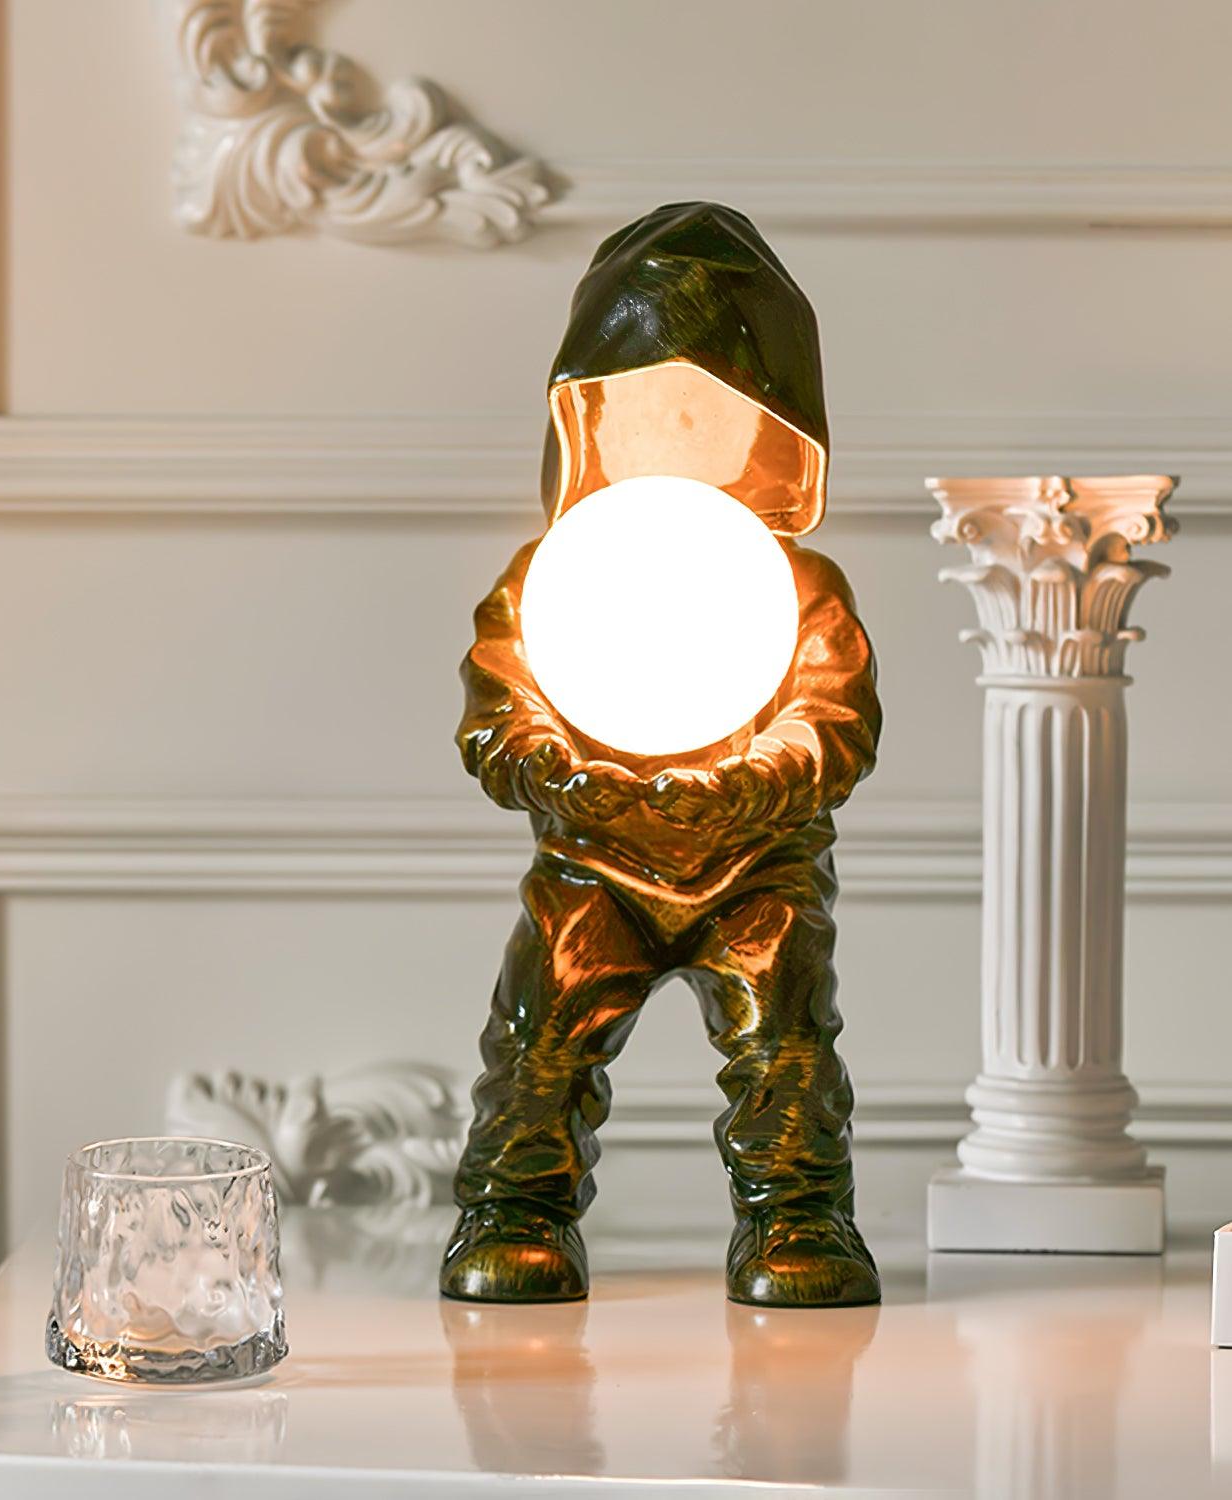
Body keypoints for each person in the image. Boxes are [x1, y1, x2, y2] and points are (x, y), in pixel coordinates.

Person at [440, 202, 882, 1308]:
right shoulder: (550, 578)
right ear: (588, 420)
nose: (677, 437)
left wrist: (749, 783)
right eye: (648, 410)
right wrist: (559, 772)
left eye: (709, 413)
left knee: (786, 1046)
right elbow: (500, 710)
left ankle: (797, 1215)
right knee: (541, 1039)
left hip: (759, 865)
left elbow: (833, 721)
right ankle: (515, 1208)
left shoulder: (799, 589)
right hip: (593, 861)